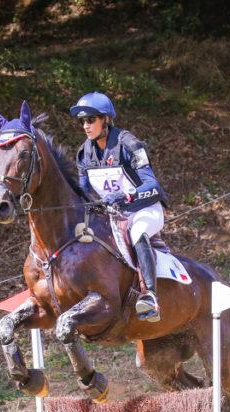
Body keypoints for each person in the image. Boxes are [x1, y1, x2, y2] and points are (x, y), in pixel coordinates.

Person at [70, 92, 168, 322]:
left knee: (137, 232)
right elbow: (83, 193)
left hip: (145, 209)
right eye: (82, 121)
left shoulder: (128, 143)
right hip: (113, 215)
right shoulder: (84, 153)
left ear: (105, 119)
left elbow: (151, 183)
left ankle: (150, 296)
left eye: (90, 119)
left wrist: (124, 195)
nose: (86, 126)